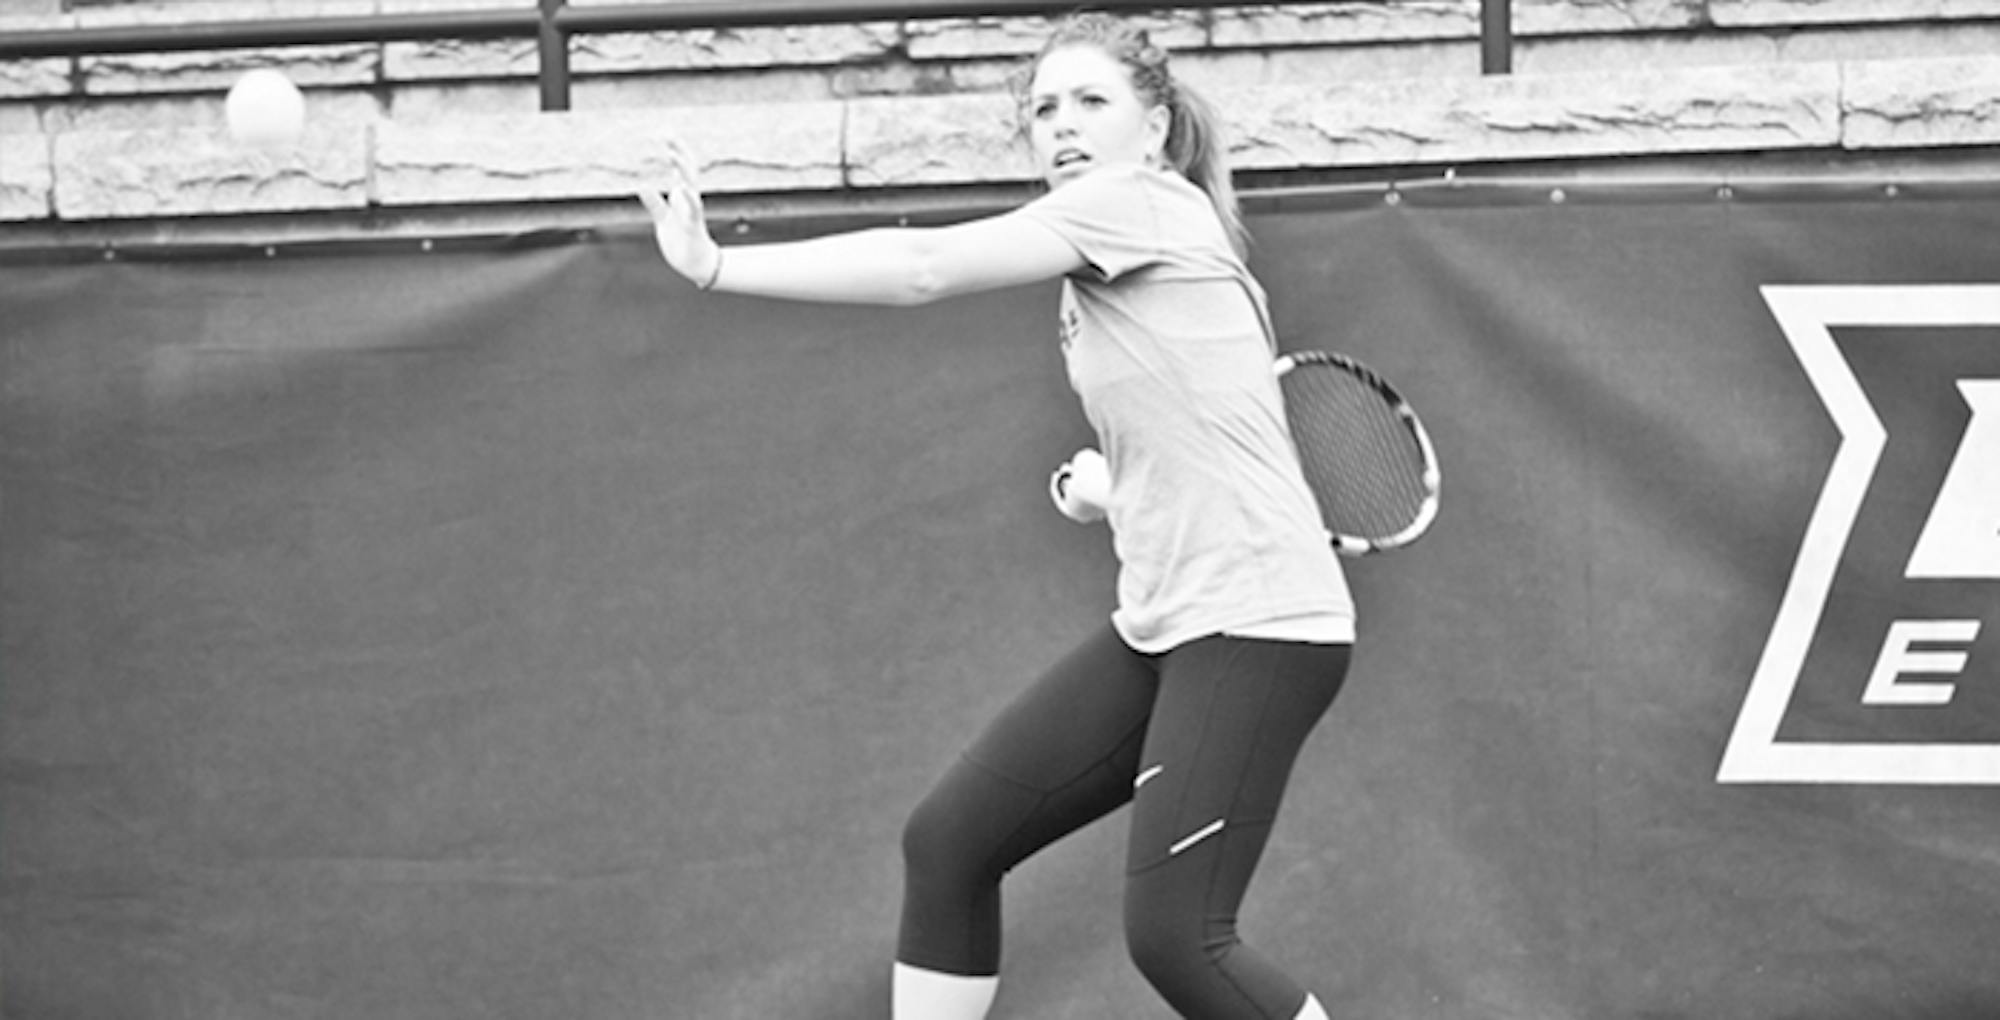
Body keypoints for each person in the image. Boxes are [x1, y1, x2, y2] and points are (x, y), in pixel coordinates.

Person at [639, 14, 1351, 1020]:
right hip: (1169, 621)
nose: (1061, 125)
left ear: (1152, 130)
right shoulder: (1109, 246)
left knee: (1179, 941)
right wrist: (1116, 493)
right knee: (949, 845)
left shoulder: (1135, 200)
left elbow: (922, 268)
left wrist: (717, 266)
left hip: (1257, 628)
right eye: (1042, 109)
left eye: (1090, 102)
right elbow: (1217, 432)